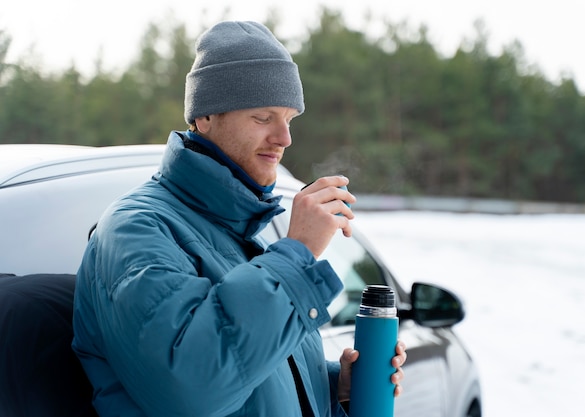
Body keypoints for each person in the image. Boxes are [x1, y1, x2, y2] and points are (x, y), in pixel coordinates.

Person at [72, 20, 406, 417]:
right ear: (206, 116)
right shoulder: (136, 229)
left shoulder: (241, 237)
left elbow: (251, 375)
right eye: (263, 118)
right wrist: (297, 251)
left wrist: (334, 387)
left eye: (289, 119)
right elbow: (193, 388)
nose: (284, 138)